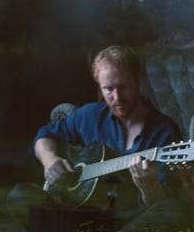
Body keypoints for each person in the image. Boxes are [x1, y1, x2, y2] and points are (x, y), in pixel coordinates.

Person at [33, 45, 183, 209]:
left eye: (124, 87)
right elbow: (45, 135)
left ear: (138, 80)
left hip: (130, 217)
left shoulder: (165, 131)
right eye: (109, 89)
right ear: (99, 86)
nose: (117, 97)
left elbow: (165, 206)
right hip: (85, 209)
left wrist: (149, 186)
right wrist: (50, 160)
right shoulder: (89, 116)